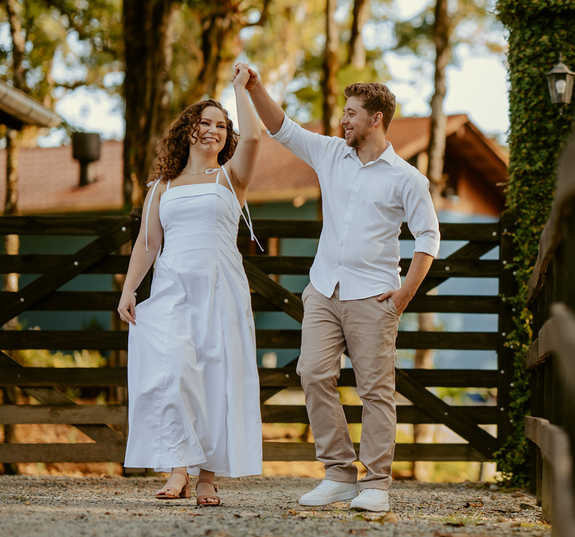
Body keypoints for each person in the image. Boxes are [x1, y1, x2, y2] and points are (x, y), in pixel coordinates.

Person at [243, 72, 438, 512]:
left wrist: (404, 296)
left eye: (351, 114)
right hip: (323, 290)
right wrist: (255, 87)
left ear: (376, 119)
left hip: (374, 297)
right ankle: (338, 474)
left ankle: (376, 485)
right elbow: (282, 128)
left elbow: (428, 239)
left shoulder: (407, 179)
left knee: (375, 391)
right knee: (312, 374)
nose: (343, 120)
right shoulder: (330, 152)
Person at [119, 64, 263, 506]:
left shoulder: (230, 178)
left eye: (221, 126)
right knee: (173, 370)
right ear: (187, 129)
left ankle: (207, 477)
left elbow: (255, 137)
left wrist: (241, 88)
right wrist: (129, 289)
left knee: (218, 377)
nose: (213, 131)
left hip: (221, 288)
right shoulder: (162, 185)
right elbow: (148, 243)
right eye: (204, 122)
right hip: (172, 288)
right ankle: (177, 467)